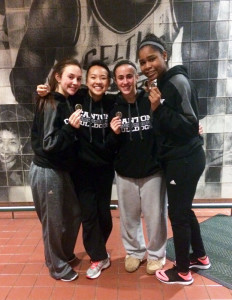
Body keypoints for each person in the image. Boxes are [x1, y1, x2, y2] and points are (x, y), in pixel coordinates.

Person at [138, 34, 211, 285]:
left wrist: (159, 108)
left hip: (185, 160)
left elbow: (191, 126)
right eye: (142, 62)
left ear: (164, 56)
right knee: (184, 211)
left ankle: (181, 272)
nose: (147, 66)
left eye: (152, 59)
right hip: (180, 159)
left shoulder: (177, 81)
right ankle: (200, 257)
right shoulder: (163, 83)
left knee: (178, 215)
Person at [37, 60, 115, 280]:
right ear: (87, 81)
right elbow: (58, 94)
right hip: (80, 170)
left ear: (108, 82)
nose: (97, 81)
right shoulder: (77, 98)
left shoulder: (112, 102)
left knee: (104, 216)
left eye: (102, 78)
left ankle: (100, 252)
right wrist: (45, 89)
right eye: (92, 77)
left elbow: (134, 99)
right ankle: (98, 257)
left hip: (105, 170)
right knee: (88, 215)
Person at [109, 60, 167, 275]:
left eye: (129, 76)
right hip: (125, 172)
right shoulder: (112, 107)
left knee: (155, 216)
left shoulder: (150, 100)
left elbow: (166, 123)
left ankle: (156, 255)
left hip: (152, 171)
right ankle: (134, 252)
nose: (125, 81)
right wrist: (113, 134)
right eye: (121, 77)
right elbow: (109, 142)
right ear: (116, 81)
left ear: (136, 77)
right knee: (128, 217)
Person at [29, 58, 82, 281]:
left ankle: (63, 254)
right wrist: (70, 127)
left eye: (79, 78)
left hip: (60, 170)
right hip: (47, 170)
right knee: (54, 222)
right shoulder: (53, 102)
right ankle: (57, 266)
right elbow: (49, 144)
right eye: (70, 77)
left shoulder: (63, 100)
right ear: (58, 77)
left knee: (72, 214)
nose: (75, 82)